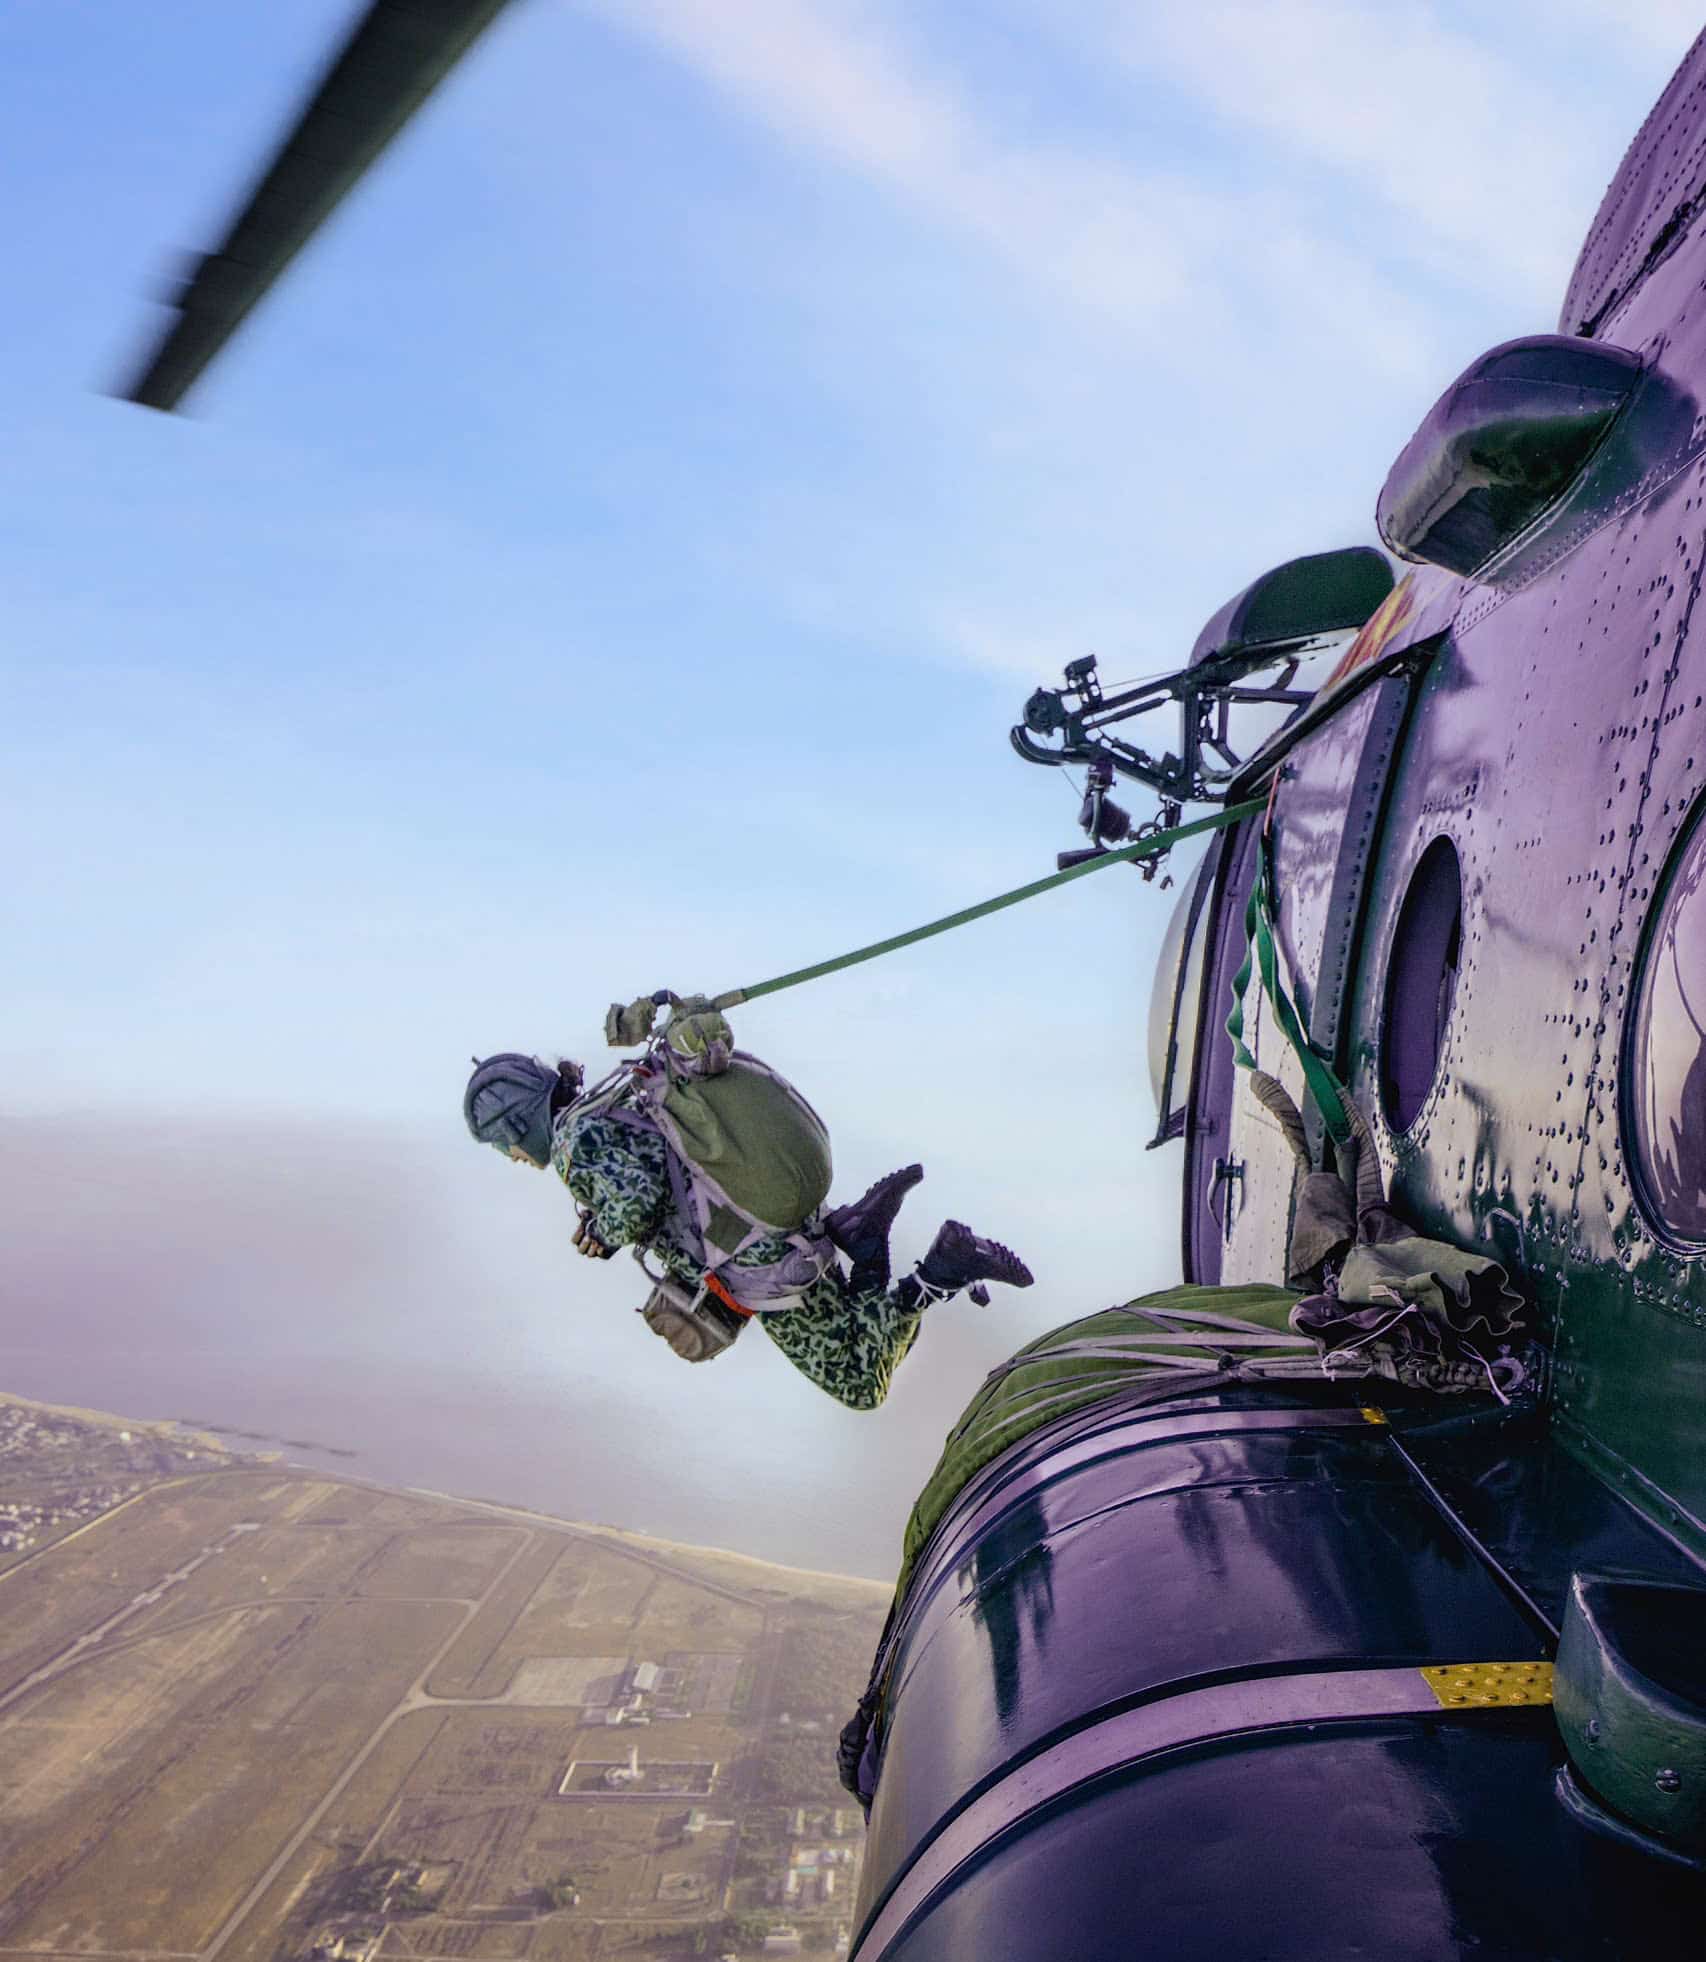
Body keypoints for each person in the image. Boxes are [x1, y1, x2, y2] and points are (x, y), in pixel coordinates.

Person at [463, 1024, 1032, 1410]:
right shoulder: (608, 1105)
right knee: (859, 1351)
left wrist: (605, 1236)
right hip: (766, 1227)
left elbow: (636, 1201)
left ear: (515, 1124)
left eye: (502, 1145)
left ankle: (941, 1267)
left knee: (860, 1384)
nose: (512, 1158)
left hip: (754, 1262)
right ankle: (872, 1243)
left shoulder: (572, 1144)